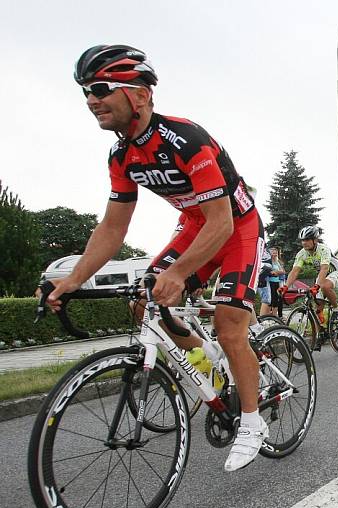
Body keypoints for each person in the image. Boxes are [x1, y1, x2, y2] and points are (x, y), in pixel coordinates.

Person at [45, 45, 265, 472]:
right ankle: (208, 361)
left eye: (101, 89)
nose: (91, 100)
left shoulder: (187, 140)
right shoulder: (121, 156)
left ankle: (253, 423)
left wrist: (180, 273)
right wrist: (72, 279)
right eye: (86, 92)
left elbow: (220, 222)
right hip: (195, 226)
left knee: (229, 323)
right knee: (145, 299)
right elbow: (112, 228)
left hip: (236, 227)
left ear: (140, 96)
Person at [280, 226, 338, 322]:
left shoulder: (323, 249)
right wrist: (285, 287)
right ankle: (320, 332)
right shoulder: (302, 254)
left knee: (324, 286)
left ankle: (336, 310)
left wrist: (317, 285)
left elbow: (324, 268)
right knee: (317, 308)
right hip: (323, 275)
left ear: (315, 240)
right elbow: (295, 271)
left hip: (337, 271)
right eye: (302, 240)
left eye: (307, 240)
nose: (304, 243)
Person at [267, 246, 285, 318]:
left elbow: (283, 271)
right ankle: (271, 315)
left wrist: (277, 272)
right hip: (270, 282)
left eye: (276, 253)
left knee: (277, 299)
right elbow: (271, 273)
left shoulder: (277, 262)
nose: (275, 254)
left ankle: (275, 315)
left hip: (277, 282)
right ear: (270, 254)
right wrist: (278, 272)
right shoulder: (269, 262)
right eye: (273, 253)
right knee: (271, 299)